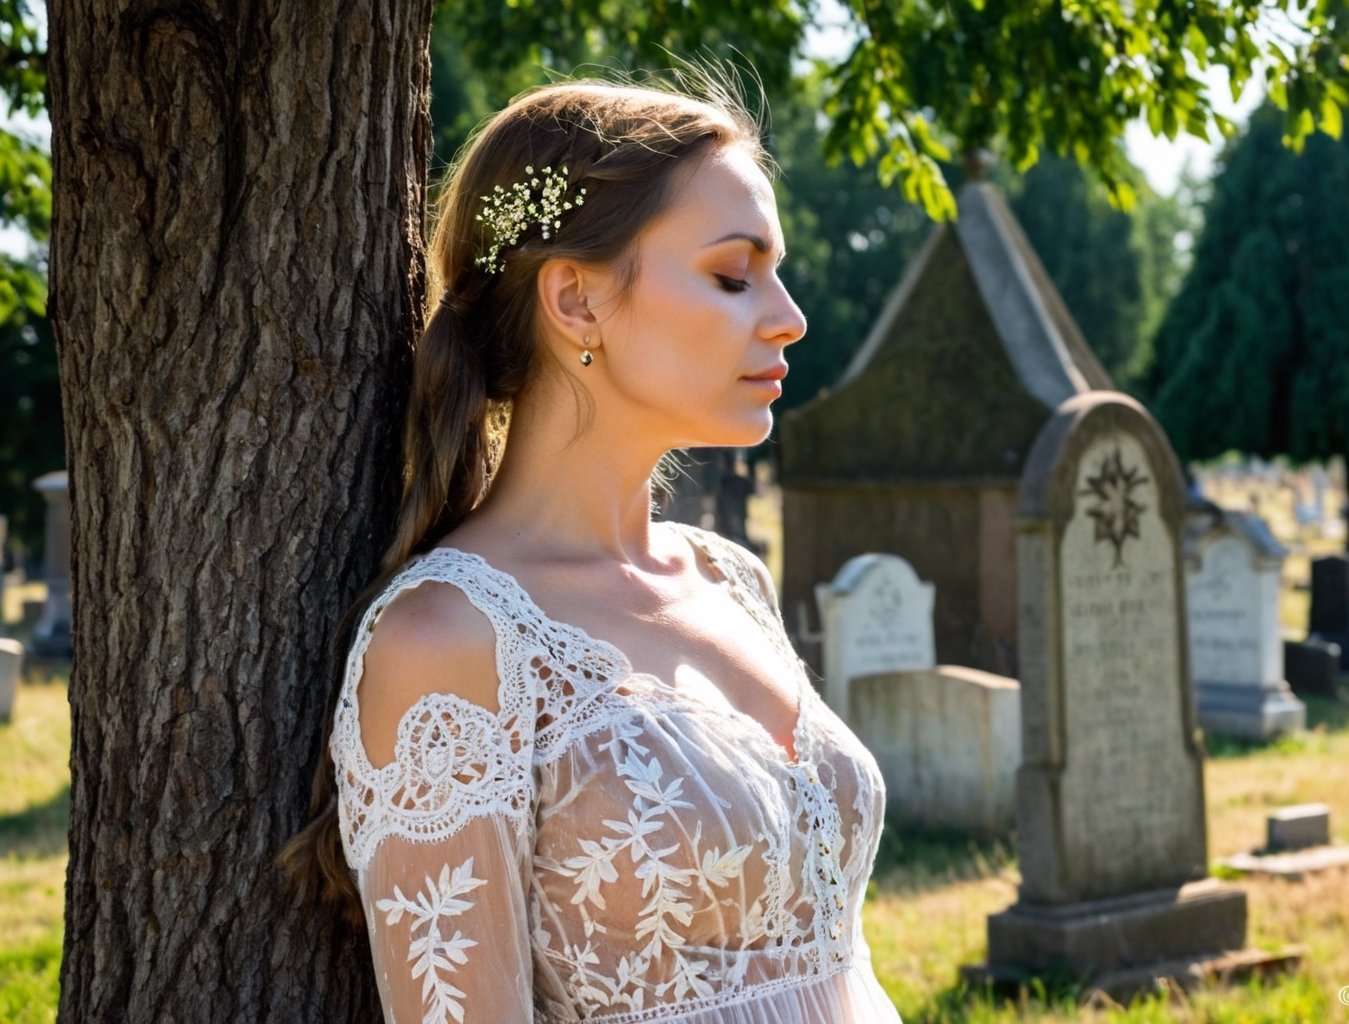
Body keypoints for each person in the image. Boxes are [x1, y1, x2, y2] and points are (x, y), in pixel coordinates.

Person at [280, 73, 901, 1023]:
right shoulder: (448, 646)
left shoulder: (731, 581)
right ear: (574, 300)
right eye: (734, 275)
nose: (789, 317)